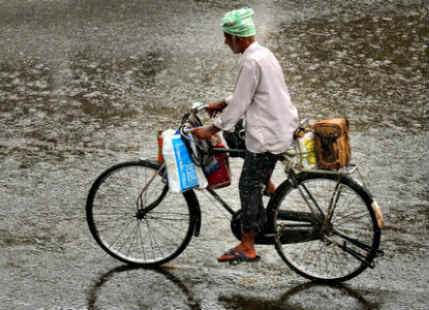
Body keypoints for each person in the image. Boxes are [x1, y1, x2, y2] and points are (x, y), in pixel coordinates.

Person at [192, 7, 299, 263]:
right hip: (281, 124)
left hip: (269, 135)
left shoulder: (250, 61)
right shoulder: (263, 54)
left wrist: (210, 129)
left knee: (247, 186)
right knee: (235, 136)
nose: (226, 42)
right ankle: (267, 181)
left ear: (239, 38)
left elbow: (240, 105)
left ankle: (248, 245)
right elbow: (247, 94)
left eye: (228, 37)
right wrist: (222, 102)